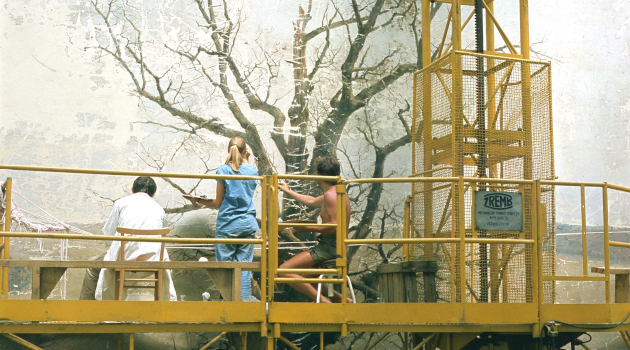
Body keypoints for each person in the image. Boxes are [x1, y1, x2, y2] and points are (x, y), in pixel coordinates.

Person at [183, 136, 259, 302]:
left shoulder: (223, 171)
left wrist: (196, 200)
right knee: (244, 267)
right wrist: (246, 158)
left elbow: (218, 202)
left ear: (227, 150)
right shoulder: (253, 172)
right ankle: (243, 303)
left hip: (228, 225)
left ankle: (228, 301)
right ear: (245, 151)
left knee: (224, 267)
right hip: (247, 224)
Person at [277, 156, 352, 303]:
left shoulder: (331, 195)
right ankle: (343, 300)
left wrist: (306, 227)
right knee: (304, 276)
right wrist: (288, 191)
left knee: (283, 271)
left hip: (330, 247)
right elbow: (310, 201)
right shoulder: (334, 192)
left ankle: (324, 303)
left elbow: (335, 227)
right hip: (333, 245)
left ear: (320, 175)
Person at [96, 176, 177, 301]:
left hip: (124, 258)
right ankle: (165, 304)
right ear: (153, 193)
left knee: (103, 265)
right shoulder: (159, 209)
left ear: (132, 189)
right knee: (165, 260)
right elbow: (162, 234)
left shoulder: (121, 203)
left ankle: (108, 309)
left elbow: (108, 234)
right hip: (153, 259)